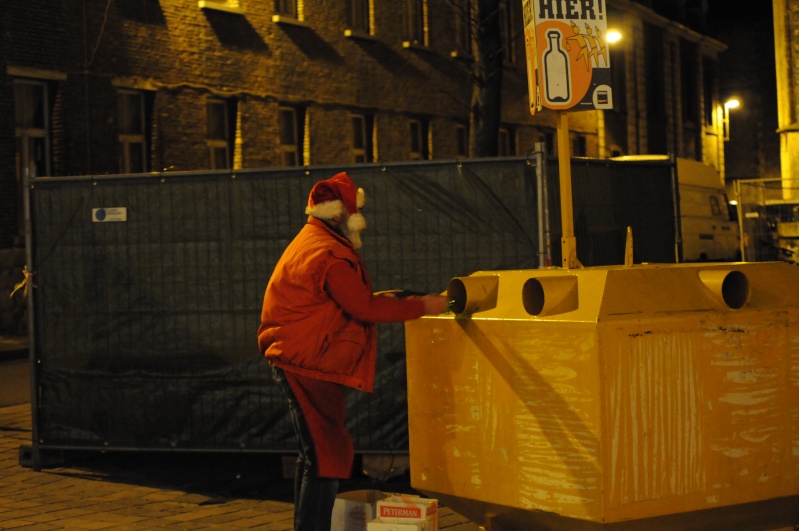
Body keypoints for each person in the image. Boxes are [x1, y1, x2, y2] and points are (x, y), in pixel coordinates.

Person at [257, 171, 450, 531]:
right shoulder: (330, 252)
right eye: (352, 210)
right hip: (308, 362)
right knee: (327, 458)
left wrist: (379, 298)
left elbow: (341, 301)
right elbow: (363, 310)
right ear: (337, 215)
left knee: (316, 454)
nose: (358, 218)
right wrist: (423, 305)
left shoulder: (315, 240)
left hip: (299, 355)